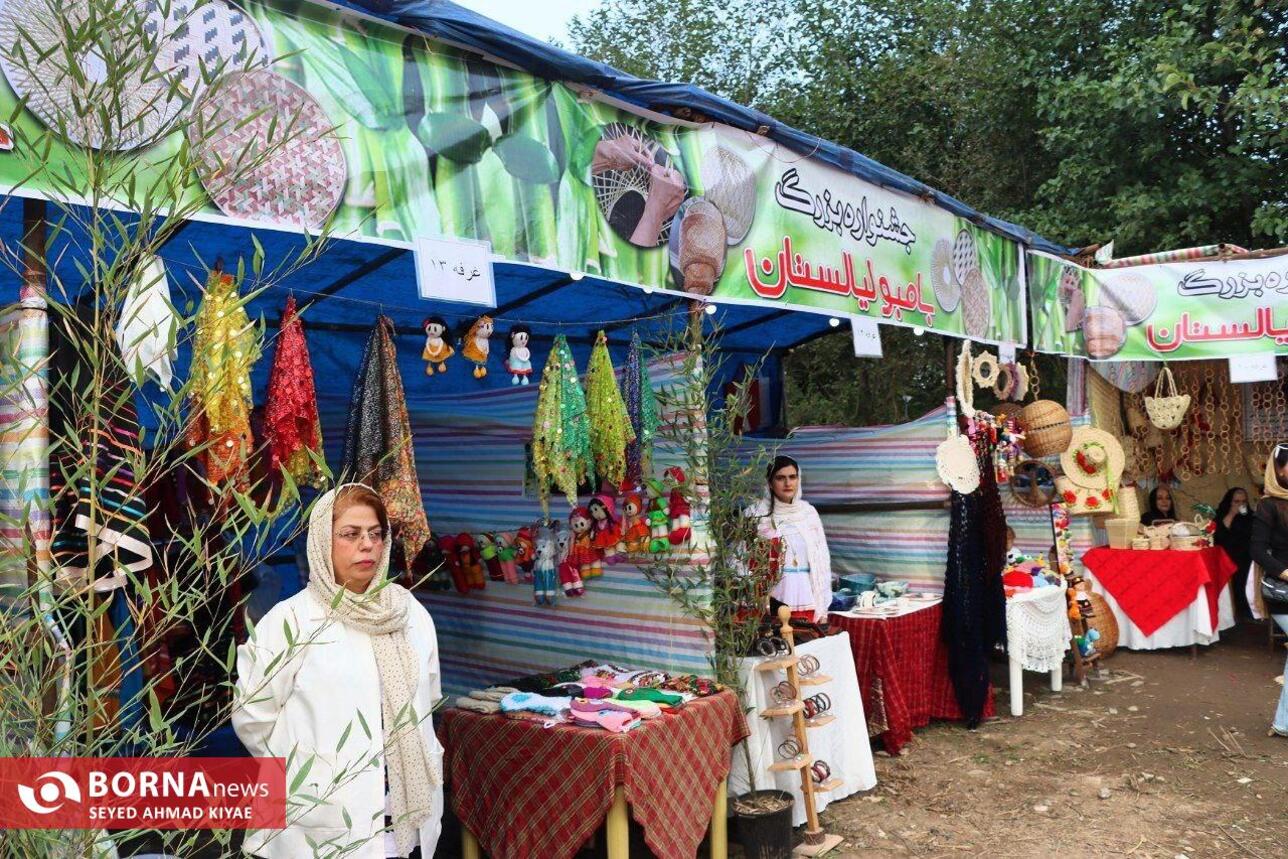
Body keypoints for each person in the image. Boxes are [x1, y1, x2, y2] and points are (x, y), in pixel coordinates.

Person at [233, 484, 444, 858]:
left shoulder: (409, 613)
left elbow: (427, 699)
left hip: (403, 814)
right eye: (350, 534)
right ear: (321, 541)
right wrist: (309, 777)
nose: (367, 545)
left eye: (376, 534)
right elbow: (253, 717)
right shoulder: (293, 621)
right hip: (314, 826)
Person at [749, 455, 833, 622]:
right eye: (780, 478)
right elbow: (744, 563)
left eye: (792, 477)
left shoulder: (809, 513)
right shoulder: (756, 514)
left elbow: (822, 561)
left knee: (806, 643)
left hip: (806, 594)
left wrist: (822, 606)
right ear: (770, 483)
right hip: (773, 597)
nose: (788, 483)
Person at [1250, 444, 1288, 738]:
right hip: (1282, 591)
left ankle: (1283, 722)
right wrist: (1285, 573)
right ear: (1278, 470)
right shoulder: (1268, 506)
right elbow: (1257, 550)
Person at [1214, 486, 1255, 615]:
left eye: (1243, 502)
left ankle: (1247, 609)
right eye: (1236, 502)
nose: (1240, 505)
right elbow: (1219, 536)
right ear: (1230, 502)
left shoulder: (1251, 516)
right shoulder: (1221, 514)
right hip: (1227, 555)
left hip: (1246, 556)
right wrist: (1232, 513)